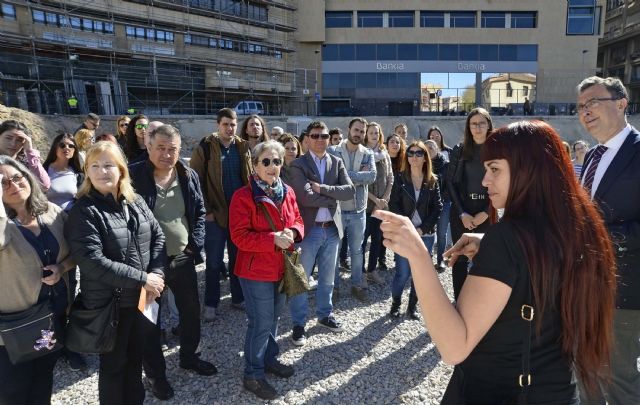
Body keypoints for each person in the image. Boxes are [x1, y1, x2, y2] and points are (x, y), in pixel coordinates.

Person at [375, 120, 616, 404]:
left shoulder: (507, 239)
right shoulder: (577, 227)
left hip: (500, 391)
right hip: (557, 390)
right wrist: (488, 243)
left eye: (495, 169)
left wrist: (419, 256)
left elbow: (454, 346)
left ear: (529, 170)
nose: (485, 180)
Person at [65, 141, 166, 404]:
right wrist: (144, 279)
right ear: (87, 172)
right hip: (111, 305)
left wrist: (156, 273)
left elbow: (158, 237)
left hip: (142, 299)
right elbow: (92, 261)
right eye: (94, 166)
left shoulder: (136, 201)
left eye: (108, 165)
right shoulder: (84, 211)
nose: (102, 171)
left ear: (121, 169)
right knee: (113, 366)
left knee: (135, 360)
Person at [130, 125, 216, 400]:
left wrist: (195, 245)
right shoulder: (133, 176)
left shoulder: (187, 174)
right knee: (149, 320)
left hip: (182, 258)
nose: (167, 154)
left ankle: (190, 356)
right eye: (161, 148)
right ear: (149, 147)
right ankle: (156, 375)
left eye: (173, 149)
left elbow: (199, 211)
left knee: (190, 312)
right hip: (147, 266)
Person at [576, 76, 640, 404]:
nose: (585, 111)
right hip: (583, 287)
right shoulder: (591, 157)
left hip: (624, 292)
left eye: (593, 103)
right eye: (580, 107)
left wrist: (598, 240)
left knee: (619, 379)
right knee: (585, 372)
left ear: (621, 103)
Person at [229, 140, 304, 400]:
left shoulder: (288, 191)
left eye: (277, 161)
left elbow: (298, 220)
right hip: (255, 271)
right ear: (255, 165)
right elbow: (239, 237)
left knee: (273, 319)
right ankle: (252, 374)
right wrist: (273, 239)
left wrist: (293, 232)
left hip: (281, 268)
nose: (272, 166)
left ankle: (268, 358)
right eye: (266, 161)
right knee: (260, 322)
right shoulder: (243, 196)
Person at [0, 156, 74, 404]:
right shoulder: (3, 224)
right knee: (13, 391)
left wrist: (61, 267)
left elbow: (78, 251)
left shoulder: (51, 212)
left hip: (52, 317)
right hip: (13, 328)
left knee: (43, 381)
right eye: (2, 183)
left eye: (17, 177)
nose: (13, 185)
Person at [287, 121, 355, 345]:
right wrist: (333, 197)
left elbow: (350, 191)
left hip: (332, 229)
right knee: (301, 279)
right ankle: (298, 324)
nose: (319, 139)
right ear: (307, 139)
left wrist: (322, 189)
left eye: (324, 136)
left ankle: (325, 315)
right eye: (315, 135)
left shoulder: (337, 161)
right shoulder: (298, 164)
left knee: (327, 278)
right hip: (309, 230)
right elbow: (305, 197)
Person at [190, 108, 248, 321]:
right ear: (218, 125)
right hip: (214, 215)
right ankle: (211, 303)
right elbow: (195, 181)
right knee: (214, 262)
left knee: (237, 260)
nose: (230, 128)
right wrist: (206, 211)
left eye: (233, 124)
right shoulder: (206, 147)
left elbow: (248, 178)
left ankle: (237, 298)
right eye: (225, 124)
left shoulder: (242, 146)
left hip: (238, 215)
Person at [388, 141, 442, 319]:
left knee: (419, 275)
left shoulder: (432, 180)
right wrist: (407, 227)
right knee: (402, 273)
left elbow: (437, 208)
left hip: (425, 235)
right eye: (410, 153)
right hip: (404, 234)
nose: (414, 156)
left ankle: (412, 307)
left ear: (425, 158)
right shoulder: (400, 178)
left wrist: (422, 229)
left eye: (419, 153)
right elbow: (394, 204)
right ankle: (396, 304)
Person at [446, 108, 493, 300]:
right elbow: (450, 183)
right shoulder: (460, 150)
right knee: (459, 259)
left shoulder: (497, 150)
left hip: (486, 212)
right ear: (468, 127)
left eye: (482, 123)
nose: (478, 127)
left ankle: (482, 303)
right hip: (462, 211)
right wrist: (461, 213)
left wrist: (487, 212)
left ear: (488, 125)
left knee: (485, 259)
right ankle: (460, 301)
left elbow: (504, 184)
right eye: (474, 123)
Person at [328, 118, 376, 302]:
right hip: (338, 210)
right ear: (349, 129)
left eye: (362, 131)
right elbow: (332, 176)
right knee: (335, 250)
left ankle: (357, 285)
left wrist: (346, 175)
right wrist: (358, 176)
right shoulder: (333, 151)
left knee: (356, 251)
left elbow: (371, 176)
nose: (359, 134)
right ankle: (334, 288)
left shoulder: (368, 153)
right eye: (356, 130)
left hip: (358, 210)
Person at [362, 122, 393, 284]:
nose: (374, 135)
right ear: (366, 135)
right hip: (366, 205)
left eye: (376, 133)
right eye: (371, 133)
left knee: (377, 239)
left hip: (382, 206)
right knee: (362, 241)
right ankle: (360, 273)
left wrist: (384, 199)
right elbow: (360, 182)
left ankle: (372, 270)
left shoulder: (384, 153)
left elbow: (390, 178)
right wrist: (375, 200)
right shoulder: (362, 153)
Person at [0, 120, 51, 190]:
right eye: (8, 138)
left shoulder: (27, 162)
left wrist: (30, 151)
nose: (13, 144)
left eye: (19, 140)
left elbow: (44, 186)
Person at [426, 139, 451, 272]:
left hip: (444, 203)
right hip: (426, 204)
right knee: (427, 232)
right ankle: (426, 260)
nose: (429, 150)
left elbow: (449, 186)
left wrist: (440, 198)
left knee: (441, 233)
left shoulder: (446, 165)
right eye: (427, 148)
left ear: (437, 149)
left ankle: (440, 260)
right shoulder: (423, 164)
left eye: (432, 147)